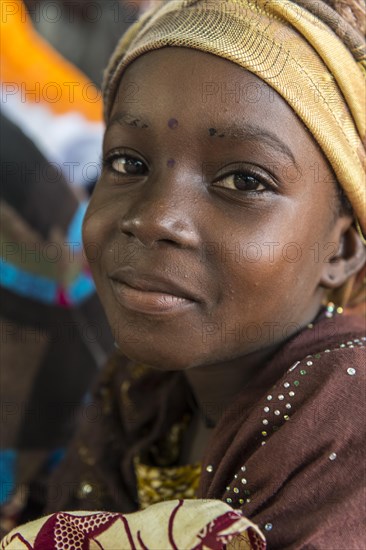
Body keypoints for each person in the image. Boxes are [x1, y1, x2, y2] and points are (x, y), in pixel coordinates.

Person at [1, 0, 365, 548]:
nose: (153, 219)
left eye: (244, 180)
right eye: (128, 163)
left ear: (340, 249)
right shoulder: (138, 393)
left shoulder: (345, 424)